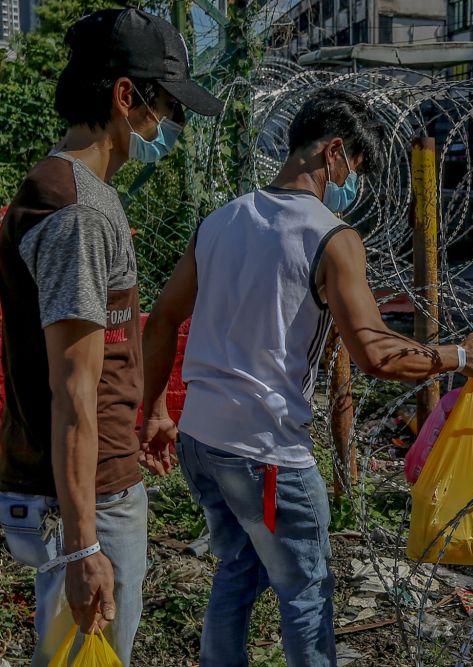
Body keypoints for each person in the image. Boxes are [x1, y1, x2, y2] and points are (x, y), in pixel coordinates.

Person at [140, 89, 473, 666]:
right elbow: (377, 355)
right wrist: (459, 356)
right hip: (267, 456)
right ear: (332, 153)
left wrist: (156, 411)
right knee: (305, 592)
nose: (348, 185)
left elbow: (160, 321)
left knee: (237, 568)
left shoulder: (222, 220)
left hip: (202, 441)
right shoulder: (330, 238)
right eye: (351, 169)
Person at [0, 8, 222, 665]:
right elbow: (74, 393)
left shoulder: (68, 192)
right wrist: (83, 546)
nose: (171, 127)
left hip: (86, 483)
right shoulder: (79, 212)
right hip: (91, 496)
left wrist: (141, 413)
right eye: (166, 108)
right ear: (126, 96)